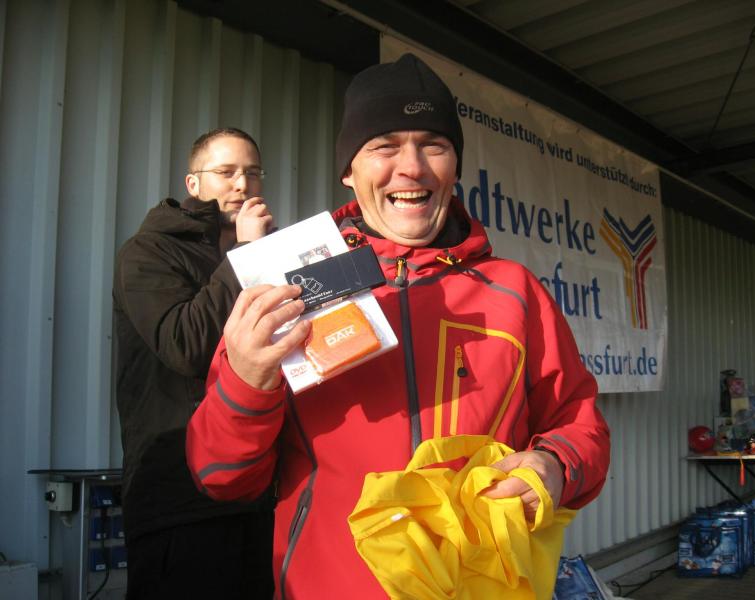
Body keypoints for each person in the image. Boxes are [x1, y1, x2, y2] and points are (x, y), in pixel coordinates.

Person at [186, 55, 611, 599]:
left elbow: (580, 425)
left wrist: (553, 466)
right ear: (349, 170)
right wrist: (247, 380)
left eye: (433, 144)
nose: (411, 167)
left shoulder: (516, 292)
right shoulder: (285, 288)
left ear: (455, 166)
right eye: (384, 146)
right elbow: (219, 475)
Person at [113, 127, 275, 599]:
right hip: (180, 503)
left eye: (252, 173)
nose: (242, 184)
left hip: (260, 496)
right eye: (226, 172)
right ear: (193, 183)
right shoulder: (149, 251)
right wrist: (248, 255)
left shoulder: (266, 251)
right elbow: (185, 345)